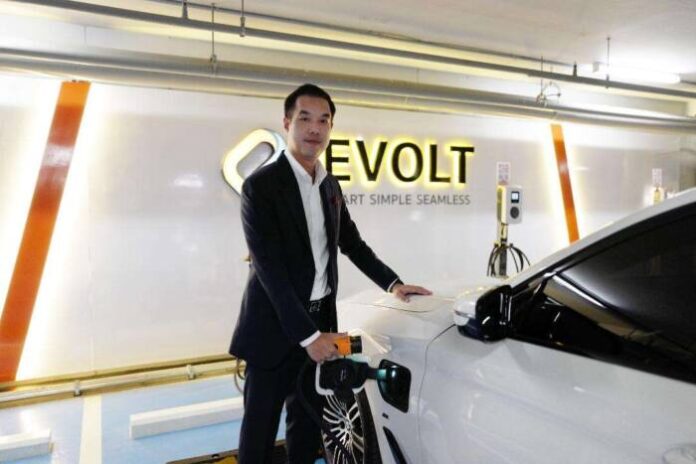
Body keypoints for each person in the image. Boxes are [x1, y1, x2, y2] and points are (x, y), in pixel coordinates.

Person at [229, 83, 431, 464]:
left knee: (307, 430)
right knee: (258, 435)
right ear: (287, 123)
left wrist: (394, 283)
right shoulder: (260, 187)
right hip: (274, 329)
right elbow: (270, 273)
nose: (314, 129)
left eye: (323, 121)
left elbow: (352, 243)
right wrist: (309, 336)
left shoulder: (330, 186)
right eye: (305, 118)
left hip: (321, 322)